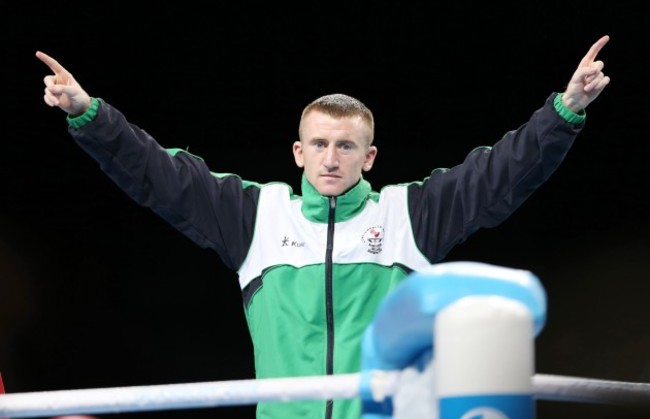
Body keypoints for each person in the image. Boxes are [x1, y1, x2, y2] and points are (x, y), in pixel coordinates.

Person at [36, 35, 610, 419]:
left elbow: (499, 175)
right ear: (298, 152)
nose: (331, 158)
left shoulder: (408, 213)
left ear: (370, 156)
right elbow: (159, 176)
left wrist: (564, 110)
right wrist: (90, 115)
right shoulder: (254, 215)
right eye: (319, 144)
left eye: (345, 146)